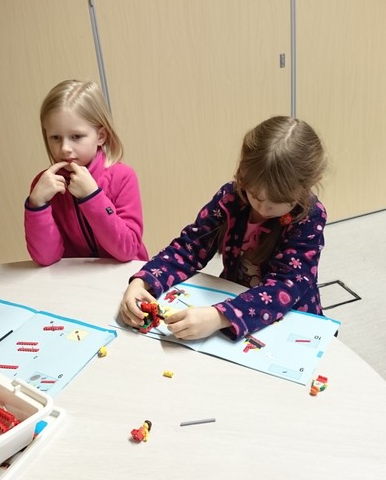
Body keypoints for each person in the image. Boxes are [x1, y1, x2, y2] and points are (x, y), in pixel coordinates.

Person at [119, 115, 327, 342]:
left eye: (277, 202)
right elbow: (190, 247)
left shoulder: (310, 216)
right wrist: (144, 282)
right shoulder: (232, 197)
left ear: (307, 185)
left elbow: (286, 286)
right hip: (234, 302)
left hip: (291, 319)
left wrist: (221, 316)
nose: (263, 208)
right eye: (255, 195)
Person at [24, 79, 148, 266]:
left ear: (100, 136)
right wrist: (37, 205)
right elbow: (46, 258)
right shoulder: (45, 185)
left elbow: (127, 249)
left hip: (125, 276)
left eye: (76, 137)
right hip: (74, 279)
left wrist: (92, 197)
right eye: (55, 137)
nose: (64, 148)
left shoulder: (122, 177)